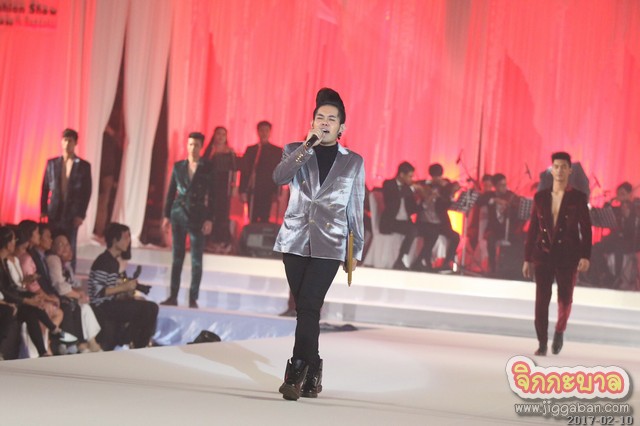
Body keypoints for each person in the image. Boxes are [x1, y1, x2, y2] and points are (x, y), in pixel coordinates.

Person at [272, 88, 365, 401]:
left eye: (331, 119)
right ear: (312, 122)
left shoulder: (353, 162)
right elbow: (279, 178)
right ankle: (314, 370)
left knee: (310, 305)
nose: (325, 122)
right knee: (305, 309)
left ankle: (296, 371)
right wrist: (306, 147)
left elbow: (355, 206)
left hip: (331, 244)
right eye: (320, 117)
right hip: (295, 240)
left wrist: (356, 249)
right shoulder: (295, 149)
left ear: (341, 128)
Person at [523, 152, 591, 356]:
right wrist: (527, 258)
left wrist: (585, 255)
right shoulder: (541, 197)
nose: (560, 170)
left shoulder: (578, 197)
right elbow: (533, 229)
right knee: (541, 300)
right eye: (556, 166)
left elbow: (586, 229)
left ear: (570, 170)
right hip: (543, 254)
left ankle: (559, 330)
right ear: (551, 170)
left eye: (563, 167)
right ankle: (542, 343)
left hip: (568, 255)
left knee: (565, 298)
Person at [161, 132, 215, 308]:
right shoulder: (178, 166)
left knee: (196, 260)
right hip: (178, 213)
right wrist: (166, 216)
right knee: (177, 257)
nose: (193, 148)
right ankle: (173, 296)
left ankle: (193, 298)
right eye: (190, 144)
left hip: (198, 215)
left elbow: (213, 196)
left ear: (201, 147)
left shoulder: (208, 167)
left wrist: (209, 219)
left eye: (196, 145)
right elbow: (171, 193)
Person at [87, 223, 158, 351]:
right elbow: (98, 292)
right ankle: (132, 343)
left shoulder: (113, 261)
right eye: (125, 237)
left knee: (150, 308)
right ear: (115, 240)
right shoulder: (103, 261)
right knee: (149, 309)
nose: (128, 241)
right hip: (102, 306)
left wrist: (127, 289)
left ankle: (133, 342)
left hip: (110, 303)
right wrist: (124, 288)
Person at [0, 226, 65, 357]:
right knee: (21, 308)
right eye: (13, 240)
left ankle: (43, 351)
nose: (15, 242)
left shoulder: (5, 262)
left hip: (11, 297)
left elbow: (11, 287)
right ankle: (52, 330)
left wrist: (30, 298)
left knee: (31, 311)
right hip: (6, 300)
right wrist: (26, 300)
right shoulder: (8, 261)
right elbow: (4, 290)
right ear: (7, 243)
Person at [40, 128, 92, 270]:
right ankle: (49, 271)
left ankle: (69, 274)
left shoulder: (83, 166)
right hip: (54, 211)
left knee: (70, 245)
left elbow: (86, 192)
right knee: (51, 243)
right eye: (65, 140)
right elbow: (45, 187)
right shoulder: (52, 163)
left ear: (75, 143)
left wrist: (81, 215)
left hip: (72, 214)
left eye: (70, 140)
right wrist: (43, 210)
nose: (67, 143)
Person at [47, 233, 102, 352]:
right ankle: (82, 343)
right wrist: (77, 295)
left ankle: (90, 342)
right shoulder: (53, 259)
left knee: (84, 307)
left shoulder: (66, 266)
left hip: (68, 297)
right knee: (80, 307)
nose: (65, 248)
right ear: (53, 247)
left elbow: (74, 284)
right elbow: (60, 286)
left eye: (66, 244)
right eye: (60, 245)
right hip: (58, 297)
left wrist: (80, 293)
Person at [413, 163, 460, 272]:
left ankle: (447, 263)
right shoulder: (425, 185)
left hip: (440, 223)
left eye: (439, 176)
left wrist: (449, 192)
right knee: (432, 234)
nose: (437, 179)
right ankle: (423, 262)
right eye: (435, 176)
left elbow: (448, 203)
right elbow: (417, 185)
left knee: (455, 236)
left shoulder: (445, 188)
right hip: (425, 221)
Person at [239, 121, 282, 223]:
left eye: (266, 130)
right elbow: (245, 171)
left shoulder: (277, 151)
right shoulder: (251, 150)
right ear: (258, 132)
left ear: (270, 132)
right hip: (252, 189)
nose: (264, 133)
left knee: (264, 218)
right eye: (262, 130)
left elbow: (278, 172)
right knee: (252, 217)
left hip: (268, 190)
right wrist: (242, 190)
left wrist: (277, 191)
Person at [203, 126, 238, 253]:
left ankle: (222, 241)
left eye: (223, 134)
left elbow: (234, 170)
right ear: (214, 135)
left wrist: (234, 186)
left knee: (222, 214)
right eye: (218, 134)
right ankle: (209, 241)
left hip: (224, 187)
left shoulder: (230, 152)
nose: (221, 137)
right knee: (209, 212)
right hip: (210, 185)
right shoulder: (209, 150)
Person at [379, 162, 419, 270]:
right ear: (401, 174)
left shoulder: (407, 188)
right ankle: (400, 259)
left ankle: (419, 261)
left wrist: (422, 200)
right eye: (410, 176)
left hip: (404, 221)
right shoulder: (388, 184)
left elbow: (413, 209)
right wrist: (411, 189)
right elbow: (392, 201)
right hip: (391, 221)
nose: (411, 179)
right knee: (412, 230)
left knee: (419, 229)